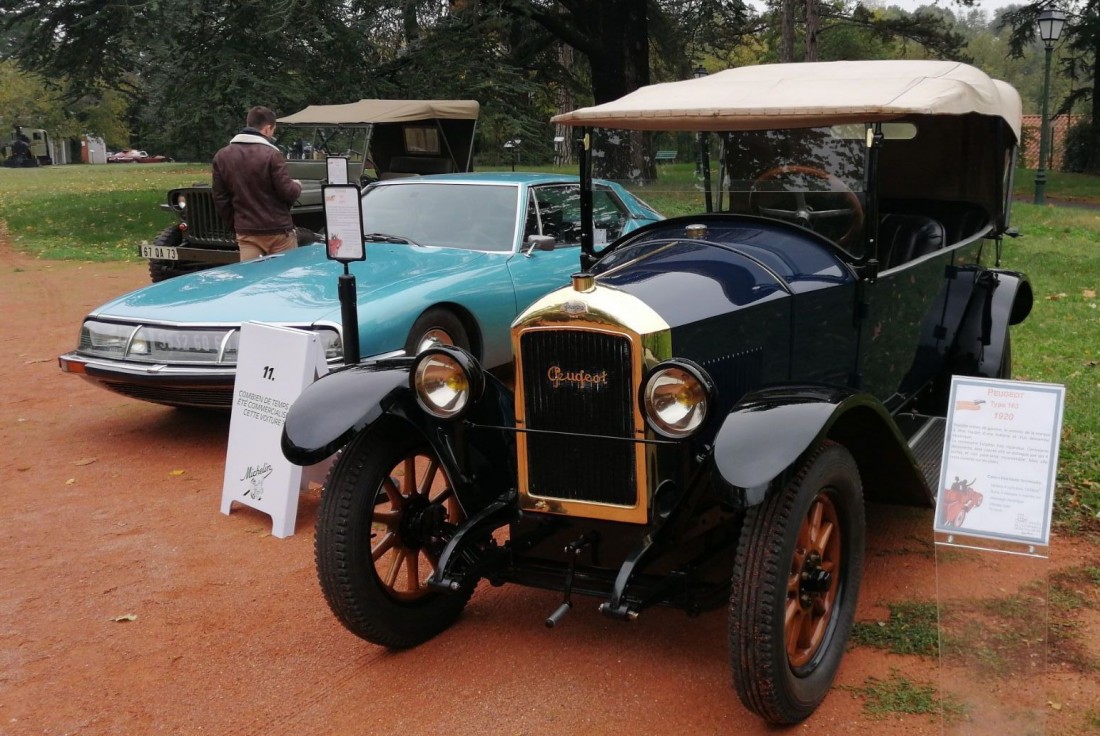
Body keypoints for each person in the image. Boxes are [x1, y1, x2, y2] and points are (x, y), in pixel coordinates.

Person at [212, 106, 302, 261]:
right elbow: (287, 191)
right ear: (267, 129)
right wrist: (297, 186)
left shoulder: (222, 156)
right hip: (277, 231)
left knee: (251, 280)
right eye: (273, 130)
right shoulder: (272, 154)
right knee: (286, 277)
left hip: (247, 232)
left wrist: (236, 224)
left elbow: (221, 198)